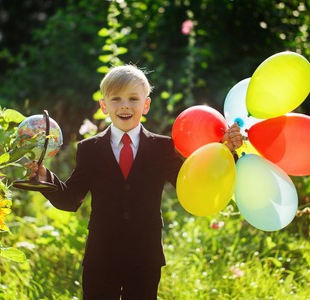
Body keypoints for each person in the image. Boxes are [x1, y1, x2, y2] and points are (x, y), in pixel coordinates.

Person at [27, 64, 243, 299]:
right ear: (104, 106)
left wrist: (227, 152)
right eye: (116, 99)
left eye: (133, 98)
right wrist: (44, 177)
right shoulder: (90, 149)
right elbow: (70, 199)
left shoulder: (162, 147)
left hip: (145, 258)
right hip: (101, 257)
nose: (125, 105)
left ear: (146, 105)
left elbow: (191, 185)